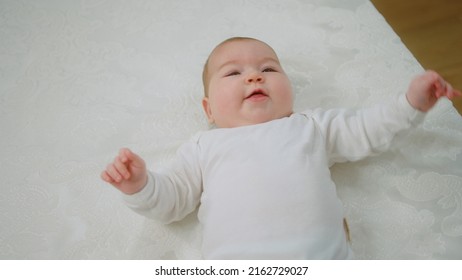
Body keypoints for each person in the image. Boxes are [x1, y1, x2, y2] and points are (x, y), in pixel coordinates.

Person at [101, 37, 461, 259]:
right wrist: (141, 185)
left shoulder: (310, 126)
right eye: (232, 73)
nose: (254, 76)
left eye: (269, 69)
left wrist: (410, 103)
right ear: (209, 109)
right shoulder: (204, 145)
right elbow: (173, 199)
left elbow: (368, 129)